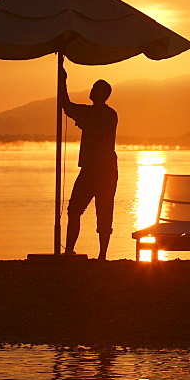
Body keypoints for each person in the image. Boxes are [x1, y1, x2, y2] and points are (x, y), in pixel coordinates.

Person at [60, 66, 118, 260]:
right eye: (92, 88)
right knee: (73, 210)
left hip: (106, 171)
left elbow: (98, 129)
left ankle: (102, 255)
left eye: (95, 89)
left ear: (103, 94)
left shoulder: (110, 115)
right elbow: (66, 106)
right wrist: (62, 81)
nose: (91, 91)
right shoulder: (86, 111)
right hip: (88, 170)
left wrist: (83, 122)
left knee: (104, 211)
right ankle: (69, 250)